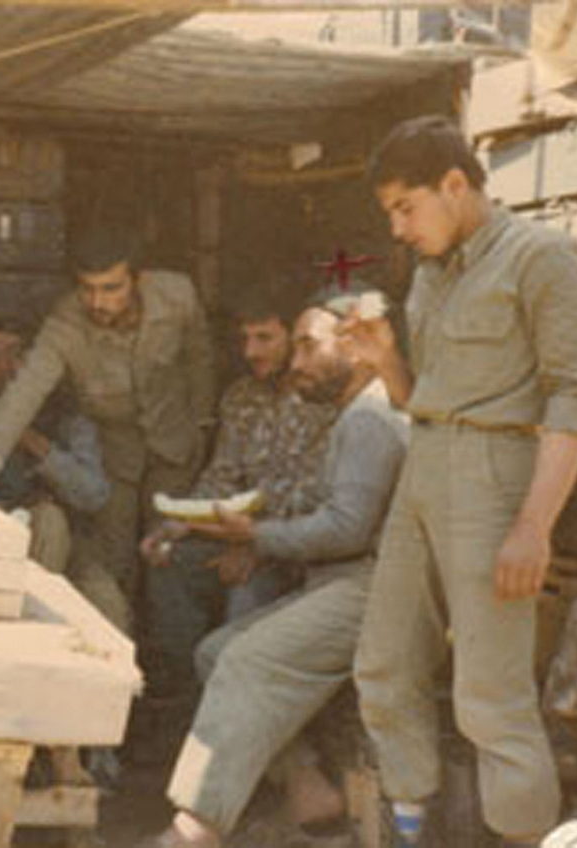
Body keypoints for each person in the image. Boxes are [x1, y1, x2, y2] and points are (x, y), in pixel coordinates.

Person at [349, 115, 577, 847]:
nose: (398, 229)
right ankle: (411, 827)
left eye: (406, 207)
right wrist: (386, 361)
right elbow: (426, 398)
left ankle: (523, 837)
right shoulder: (433, 271)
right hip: (423, 471)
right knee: (384, 667)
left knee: (491, 697)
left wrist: (533, 527)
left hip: (496, 482)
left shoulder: (543, 257)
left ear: (455, 185)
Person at [137, 297, 409, 848]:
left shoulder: (369, 419)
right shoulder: (353, 413)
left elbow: (347, 529)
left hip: (370, 590)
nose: (297, 363)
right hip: (337, 583)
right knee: (216, 651)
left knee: (244, 661)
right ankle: (307, 786)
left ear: (356, 349)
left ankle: (196, 827)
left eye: (309, 347)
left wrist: (255, 537)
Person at [0, 227, 216, 633]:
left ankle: (171, 662)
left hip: (175, 447)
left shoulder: (177, 294)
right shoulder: (64, 323)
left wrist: (202, 424)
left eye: (111, 288)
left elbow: (200, 359)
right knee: (117, 564)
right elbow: (24, 391)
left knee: (169, 556)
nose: (98, 302)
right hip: (116, 457)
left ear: (138, 279)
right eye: (87, 289)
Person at [140, 287, 336, 697]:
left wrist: (255, 545)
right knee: (169, 563)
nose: (251, 352)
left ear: (294, 339)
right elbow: (223, 475)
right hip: (234, 534)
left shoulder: (325, 403)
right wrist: (177, 524)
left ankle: (231, 706)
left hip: (294, 552)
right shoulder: (241, 396)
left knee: (245, 590)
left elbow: (311, 498)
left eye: (264, 338)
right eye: (244, 339)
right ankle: (182, 700)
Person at [0, 314, 109, 574]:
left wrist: (35, 444)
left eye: (15, 354)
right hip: (0, 548)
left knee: (106, 598)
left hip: (74, 555)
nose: (5, 366)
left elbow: (93, 494)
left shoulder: (69, 417)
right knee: (48, 520)